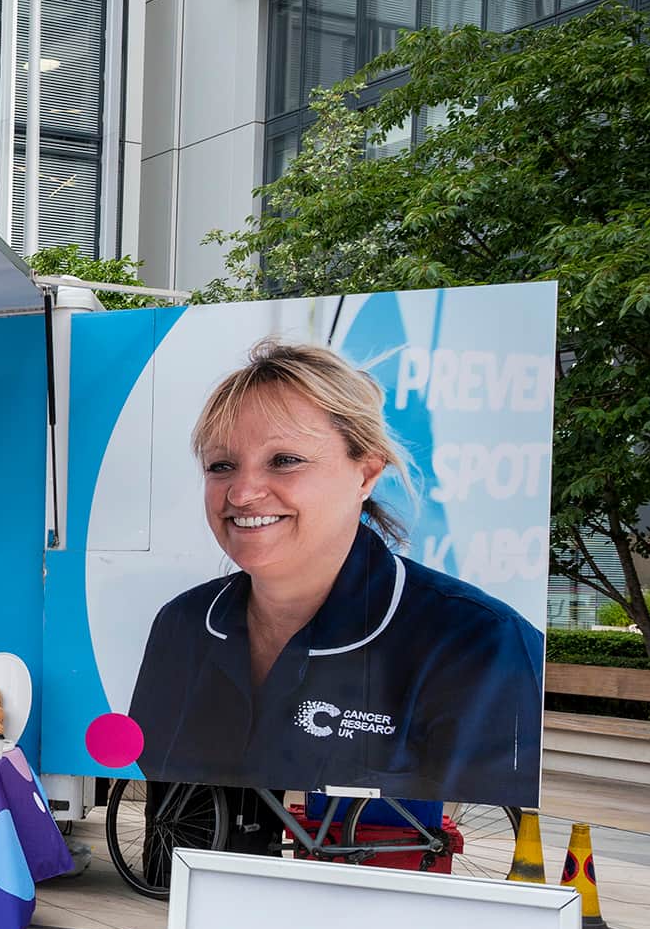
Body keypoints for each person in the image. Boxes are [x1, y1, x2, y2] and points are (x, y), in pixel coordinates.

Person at [128, 341, 543, 806]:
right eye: (221, 465)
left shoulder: (480, 640)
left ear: (365, 474)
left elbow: (496, 847)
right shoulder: (181, 625)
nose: (242, 493)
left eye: (284, 460)